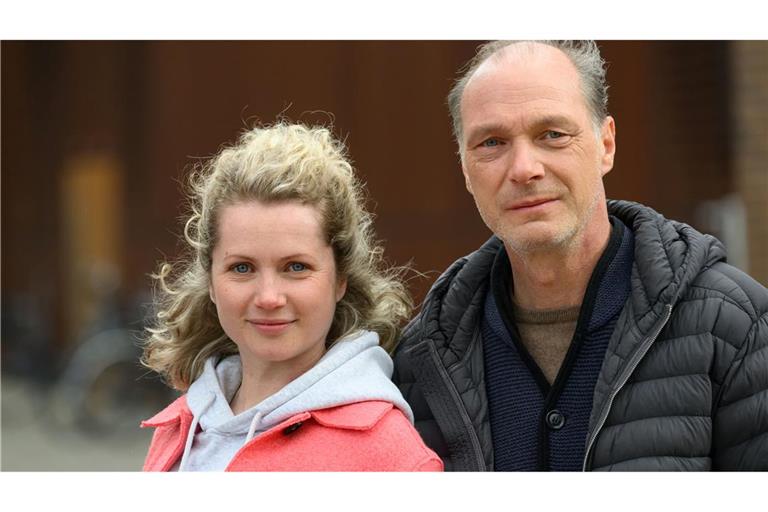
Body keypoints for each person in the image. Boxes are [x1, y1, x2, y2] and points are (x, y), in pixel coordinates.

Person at [393, 40, 768, 471]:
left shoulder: (736, 325)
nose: (524, 168)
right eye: (492, 142)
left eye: (552, 134)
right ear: (464, 169)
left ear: (605, 144)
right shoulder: (423, 358)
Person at [140, 122, 442, 471]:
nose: (269, 297)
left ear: (341, 278)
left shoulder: (390, 458)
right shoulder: (179, 427)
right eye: (242, 268)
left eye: (295, 267)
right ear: (209, 279)